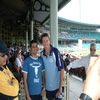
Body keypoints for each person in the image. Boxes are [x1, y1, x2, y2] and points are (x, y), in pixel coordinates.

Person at [41, 33, 64, 100]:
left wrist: (60, 89)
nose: (45, 43)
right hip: (48, 89)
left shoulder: (55, 52)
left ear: (49, 41)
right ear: (42, 43)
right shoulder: (42, 54)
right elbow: (43, 72)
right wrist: (44, 87)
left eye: (47, 40)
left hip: (57, 88)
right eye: (43, 41)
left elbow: (62, 69)